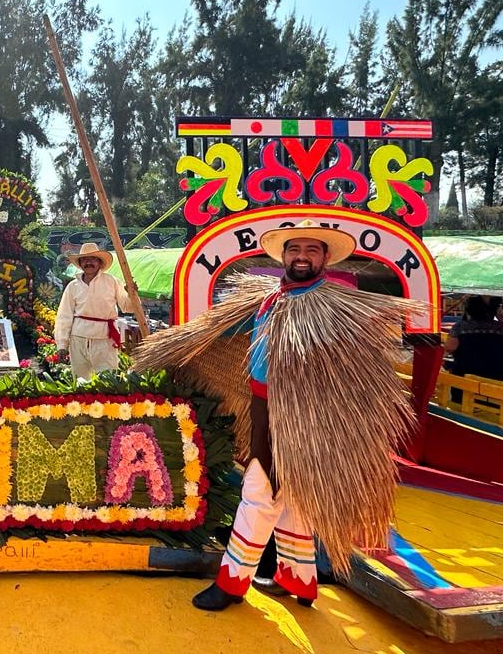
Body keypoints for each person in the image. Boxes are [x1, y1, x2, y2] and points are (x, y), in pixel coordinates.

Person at [132, 220, 420, 612]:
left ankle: (232, 584)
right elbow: (223, 332)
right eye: (294, 249)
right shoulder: (270, 299)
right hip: (264, 409)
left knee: (258, 495)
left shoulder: (335, 308)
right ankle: (299, 579)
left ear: (324, 257)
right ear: (284, 255)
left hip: (302, 421)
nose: (301, 256)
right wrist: (181, 345)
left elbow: (350, 380)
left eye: (311, 250)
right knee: (293, 502)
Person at [54, 243, 133, 380]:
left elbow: (128, 307)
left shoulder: (112, 282)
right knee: (80, 382)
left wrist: (132, 294)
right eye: (84, 259)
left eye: (93, 259)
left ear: (100, 262)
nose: (88, 262)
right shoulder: (73, 286)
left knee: (108, 381)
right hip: (78, 338)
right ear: (80, 263)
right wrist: (62, 344)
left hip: (105, 339)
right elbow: (64, 316)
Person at [444, 295, 503, 382]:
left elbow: (450, 347)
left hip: (465, 377)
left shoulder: (460, 327)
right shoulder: (500, 327)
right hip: (496, 378)